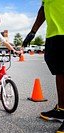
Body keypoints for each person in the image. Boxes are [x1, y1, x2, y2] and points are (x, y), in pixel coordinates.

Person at [22, 1, 64, 132]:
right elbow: (44, 8)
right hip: (54, 33)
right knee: (59, 70)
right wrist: (33, 31)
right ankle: (62, 109)